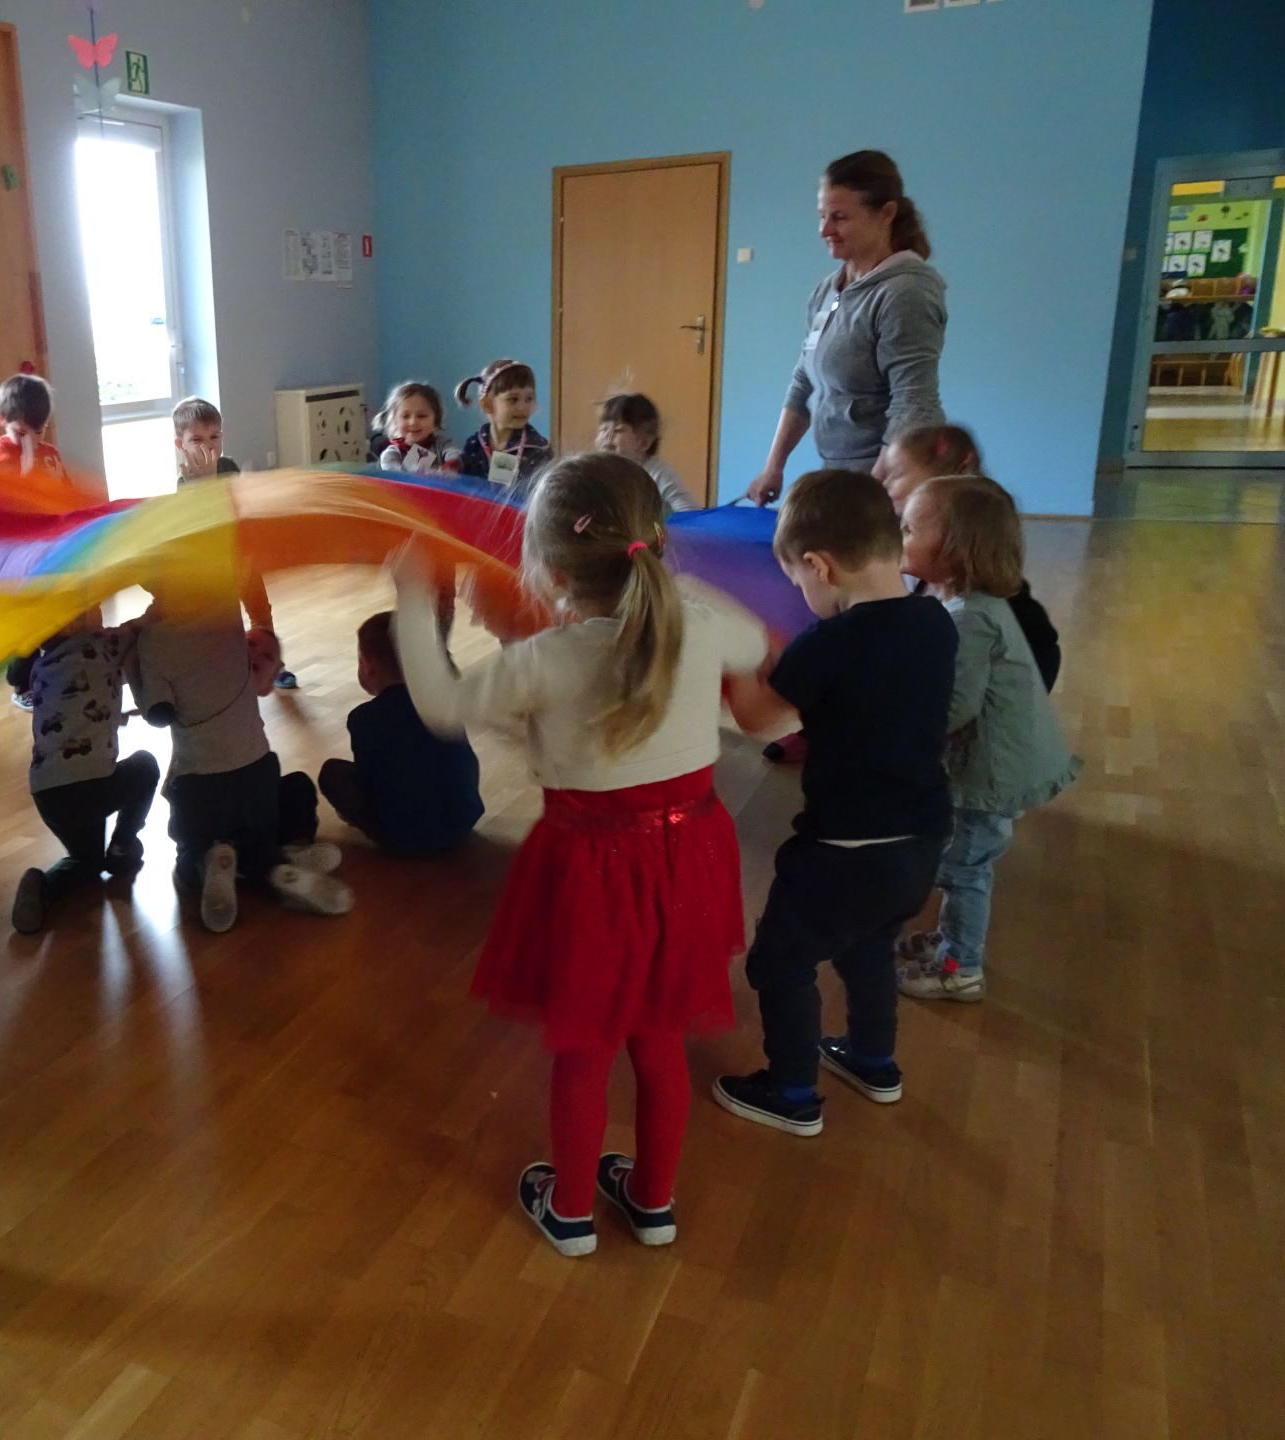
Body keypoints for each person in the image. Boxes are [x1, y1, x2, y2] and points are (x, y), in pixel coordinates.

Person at [392, 452, 783, 1257]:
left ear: (550, 571)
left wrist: (410, 597)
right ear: (655, 541)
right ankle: (653, 1202)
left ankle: (570, 1210)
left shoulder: (549, 659)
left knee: (584, 1045)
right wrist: (686, 597)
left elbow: (439, 703)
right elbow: (752, 645)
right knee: (660, 1037)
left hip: (590, 869)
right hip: (686, 857)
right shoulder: (698, 622)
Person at [713, 470, 955, 1137]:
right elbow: (867, 687)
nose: (801, 593)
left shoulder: (829, 644)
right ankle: (874, 1061)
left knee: (781, 960)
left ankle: (792, 1091)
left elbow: (761, 721)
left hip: (844, 847)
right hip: (921, 839)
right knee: (868, 946)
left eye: (798, 580)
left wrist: (741, 657)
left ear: (819, 565)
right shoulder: (934, 621)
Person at [895, 476, 1079, 1003]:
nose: (899, 537)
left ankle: (961, 967)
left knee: (964, 868)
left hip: (993, 769)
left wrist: (899, 731)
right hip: (993, 760)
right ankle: (953, 939)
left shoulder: (971, 618)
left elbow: (956, 705)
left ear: (953, 549)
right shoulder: (969, 604)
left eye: (909, 529)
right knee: (964, 861)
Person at [125, 591, 350, 932]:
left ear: (271, 682)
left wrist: (138, 643)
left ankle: (214, 861)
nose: (255, 654)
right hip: (257, 782)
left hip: (203, 788)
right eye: (250, 645)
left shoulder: (180, 654)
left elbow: (158, 712)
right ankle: (279, 862)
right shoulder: (225, 649)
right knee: (284, 800)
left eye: (267, 655)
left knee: (192, 844)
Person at [747, 151, 947, 502]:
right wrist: (773, 466)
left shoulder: (906, 292)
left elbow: (913, 404)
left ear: (886, 214)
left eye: (839, 218)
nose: (824, 230)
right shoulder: (827, 290)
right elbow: (803, 380)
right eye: (821, 216)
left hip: (889, 481)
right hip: (840, 470)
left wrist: (874, 490)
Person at [9, 608, 161, 935]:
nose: (101, 613)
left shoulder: (38, 667)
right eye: (94, 607)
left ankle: (43, 885)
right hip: (93, 789)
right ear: (77, 622)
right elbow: (147, 624)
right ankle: (122, 845)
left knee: (86, 863)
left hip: (48, 795)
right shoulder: (103, 643)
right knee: (145, 766)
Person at [880, 425, 1062, 692]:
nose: (885, 483)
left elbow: (960, 702)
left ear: (953, 544)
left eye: (897, 474)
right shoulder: (939, 573)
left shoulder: (974, 612)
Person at [318, 611, 482, 854]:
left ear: (367, 665)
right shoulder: (444, 703)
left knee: (332, 773)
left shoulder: (363, 718)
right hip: (462, 821)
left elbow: (371, 781)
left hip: (402, 836)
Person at [172, 396, 297, 690]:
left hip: (243, 556)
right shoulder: (186, 480)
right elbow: (198, 524)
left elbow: (242, 506)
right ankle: (228, 666)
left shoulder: (228, 465)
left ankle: (272, 663)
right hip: (214, 566)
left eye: (214, 437)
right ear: (181, 445)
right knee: (221, 620)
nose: (208, 445)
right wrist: (205, 484)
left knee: (260, 611)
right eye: (197, 439)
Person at [456, 359, 553, 491]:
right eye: (513, 399)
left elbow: (545, 495)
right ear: (487, 404)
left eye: (529, 399)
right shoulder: (474, 445)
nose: (522, 407)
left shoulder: (539, 448)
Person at [594, 393, 698, 512]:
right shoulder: (597, 474)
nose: (607, 436)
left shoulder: (658, 474)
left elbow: (690, 513)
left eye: (618, 430)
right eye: (603, 429)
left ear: (644, 443)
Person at [0, 373, 72, 483]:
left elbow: (68, 487)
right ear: (2, 419)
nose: (31, 442)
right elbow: (3, 489)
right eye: (21, 433)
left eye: (39, 431)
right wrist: (27, 473)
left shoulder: (52, 453)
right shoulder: (2, 449)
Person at [367, 382, 460, 474]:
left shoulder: (442, 445)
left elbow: (455, 457)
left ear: (436, 419)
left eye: (422, 416)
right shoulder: (392, 453)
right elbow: (396, 477)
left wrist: (450, 467)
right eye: (405, 416)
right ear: (395, 421)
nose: (413, 422)